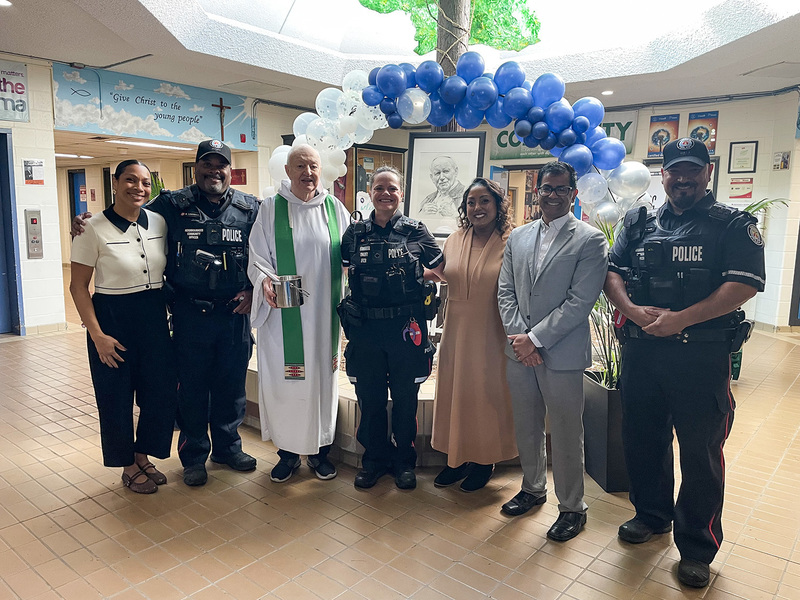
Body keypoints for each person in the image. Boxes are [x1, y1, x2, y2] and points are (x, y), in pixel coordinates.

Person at [604, 138, 766, 588]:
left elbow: (743, 285)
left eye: (692, 170)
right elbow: (611, 272)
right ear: (663, 173)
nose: (682, 178)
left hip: (700, 355)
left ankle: (696, 545)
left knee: (700, 452)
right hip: (641, 352)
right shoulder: (638, 222)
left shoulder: (732, 225)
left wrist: (681, 320)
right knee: (642, 438)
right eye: (674, 170)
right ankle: (651, 515)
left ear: (707, 172)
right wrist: (635, 312)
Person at [73, 140, 260, 487]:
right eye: (207, 164)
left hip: (235, 314)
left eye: (221, 165)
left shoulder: (252, 209)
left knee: (231, 386)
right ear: (197, 167)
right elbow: (128, 210)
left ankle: (228, 448)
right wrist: (84, 221)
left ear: (230, 170)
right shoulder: (171, 206)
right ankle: (193, 456)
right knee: (191, 389)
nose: (214, 171)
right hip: (189, 314)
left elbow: (266, 251)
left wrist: (252, 289)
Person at [497, 161, 608, 542]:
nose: (554, 195)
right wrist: (519, 338)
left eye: (562, 189)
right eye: (547, 188)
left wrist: (536, 339)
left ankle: (572, 507)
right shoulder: (519, 237)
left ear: (573, 193)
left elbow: (580, 302)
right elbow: (505, 290)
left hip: (560, 353)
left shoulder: (590, 240)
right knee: (526, 425)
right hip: (519, 352)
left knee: (564, 432)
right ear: (537, 192)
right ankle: (532, 488)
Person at [70, 160, 176, 494]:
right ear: (115, 183)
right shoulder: (91, 227)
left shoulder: (159, 221)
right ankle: (127, 465)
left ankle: (143, 454)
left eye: (145, 182)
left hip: (154, 316)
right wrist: (97, 335)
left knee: (158, 392)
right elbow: (78, 287)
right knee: (115, 397)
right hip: (112, 318)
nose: (138, 188)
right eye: (130, 180)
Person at [247, 144, 350, 483]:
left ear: (322, 171)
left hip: (324, 319)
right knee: (287, 383)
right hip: (283, 319)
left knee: (321, 381)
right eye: (300, 166)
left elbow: (352, 256)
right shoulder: (270, 209)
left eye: (313, 166)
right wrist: (263, 281)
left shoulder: (335, 209)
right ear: (288, 171)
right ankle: (288, 453)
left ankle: (320, 454)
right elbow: (257, 258)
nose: (308, 172)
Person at [340, 166, 444, 490]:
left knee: (405, 399)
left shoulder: (416, 231)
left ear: (401, 192)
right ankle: (373, 461)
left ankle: (404, 463)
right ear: (370, 191)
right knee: (369, 399)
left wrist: (414, 278)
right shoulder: (354, 232)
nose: (386, 193)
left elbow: (440, 270)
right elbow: (343, 270)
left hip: (405, 329)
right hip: (366, 329)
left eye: (393, 188)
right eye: (379, 188)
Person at [429, 177, 518, 492]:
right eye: (471, 202)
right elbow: (442, 271)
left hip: (493, 332)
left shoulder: (512, 240)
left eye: (484, 201)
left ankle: (485, 461)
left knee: (486, 395)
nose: (477, 208)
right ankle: (457, 459)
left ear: (497, 205)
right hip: (456, 331)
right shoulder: (455, 238)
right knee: (458, 393)